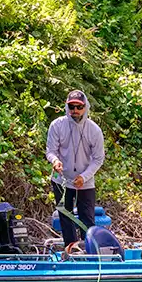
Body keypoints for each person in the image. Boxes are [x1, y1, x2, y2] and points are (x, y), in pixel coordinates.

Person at [45, 89, 105, 247]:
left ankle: (89, 249)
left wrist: (84, 177)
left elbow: (98, 158)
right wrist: (55, 160)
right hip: (61, 180)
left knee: (87, 218)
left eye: (79, 107)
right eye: (71, 107)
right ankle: (71, 249)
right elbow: (51, 150)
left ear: (85, 107)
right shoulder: (57, 125)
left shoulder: (94, 130)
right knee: (65, 215)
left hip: (85, 181)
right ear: (67, 107)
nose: (75, 111)